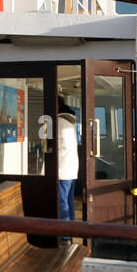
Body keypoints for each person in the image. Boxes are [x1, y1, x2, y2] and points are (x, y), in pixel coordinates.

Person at [56, 99, 80, 241]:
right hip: (71, 168)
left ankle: (65, 234)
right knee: (69, 201)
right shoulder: (71, 122)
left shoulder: (59, 122)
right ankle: (71, 230)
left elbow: (53, 146)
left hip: (62, 169)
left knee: (62, 201)